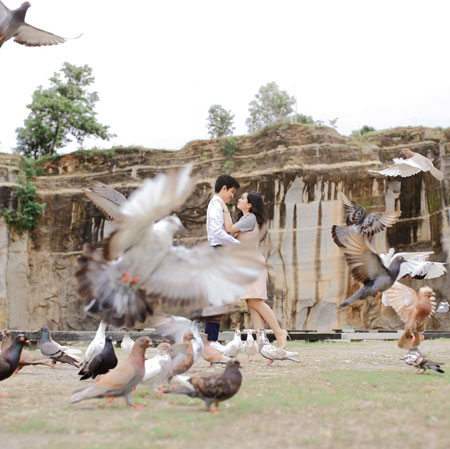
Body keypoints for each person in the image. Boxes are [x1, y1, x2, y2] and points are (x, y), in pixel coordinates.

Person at [222, 190, 289, 348]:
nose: (239, 199)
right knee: (252, 302)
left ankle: (279, 332)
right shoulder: (247, 219)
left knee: (256, 302)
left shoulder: (250, 218)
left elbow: (229, 228)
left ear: (250, 205)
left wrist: (223, 208)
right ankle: (261, 341)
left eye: (243, 198)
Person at [204, 174, 241, 349]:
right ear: (224, 188)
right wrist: (237, 243)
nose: (232, 196)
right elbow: (217, 233)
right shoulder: (216, 206)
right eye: (231, 192)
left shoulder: (220, 205)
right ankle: (211, 340)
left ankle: (211, 339)